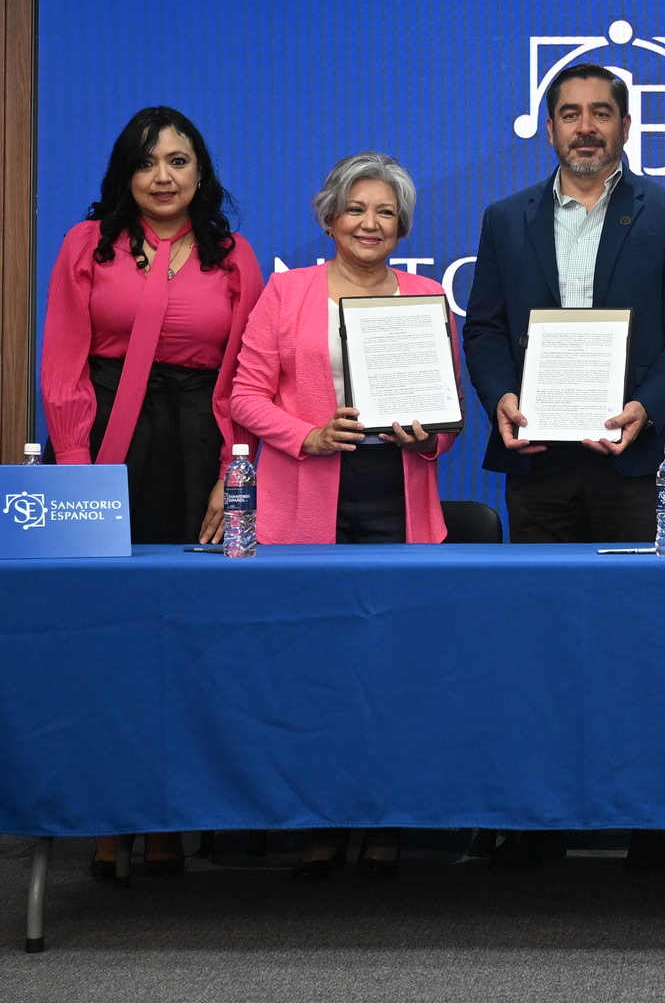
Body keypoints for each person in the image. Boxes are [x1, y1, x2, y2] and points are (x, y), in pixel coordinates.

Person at [462, 62, 665, 873]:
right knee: (541, 640)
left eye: (600, 113)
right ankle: (540, 818)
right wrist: (502, 397)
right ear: (549, 127)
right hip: (539, 462)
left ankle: (649, 819)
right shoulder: (505, 218)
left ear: (625, 126)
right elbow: (485, 330)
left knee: (642, 640)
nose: (585, 127)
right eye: (570, 113)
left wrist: (647, 405)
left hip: (636, 462)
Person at [41, 105, 263, 880]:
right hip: (106, 443)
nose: (162, 176)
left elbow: (244, 379)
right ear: (123, 175)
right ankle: (111, 815)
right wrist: (81, 471)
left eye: (177, 161)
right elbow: (63, 362)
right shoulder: (86, 245)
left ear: (201, 174)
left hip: (199, 450)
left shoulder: (233, 256)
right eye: (145, 162)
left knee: (188, 636)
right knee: (107, 636)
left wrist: (232, 477)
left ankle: (169, 816)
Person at [230, 152, 458, 881]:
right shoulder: (286, 291)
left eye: (386, 211)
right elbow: (244, 396)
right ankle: (320, 820)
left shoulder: (427, 297)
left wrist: (429, 437)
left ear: (403, 227)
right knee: (314, 670)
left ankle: (387, 820)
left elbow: (446, 412)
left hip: (397, 495)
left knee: (394, 670)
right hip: (306, 497)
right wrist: (309, 435)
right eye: (356, 208)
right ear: (329, 218)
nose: (370, 222)